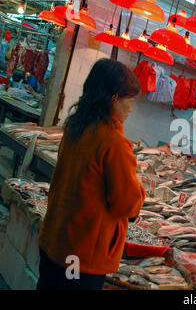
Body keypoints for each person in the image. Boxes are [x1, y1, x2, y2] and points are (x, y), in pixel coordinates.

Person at [37, 59, 145, 290]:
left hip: (53, 241)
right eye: (130, 101)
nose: (131, 108)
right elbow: (127, 204)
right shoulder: (114, 143)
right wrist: (140, 189)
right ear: (114, 99)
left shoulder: (76, 126)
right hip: (79, 255)